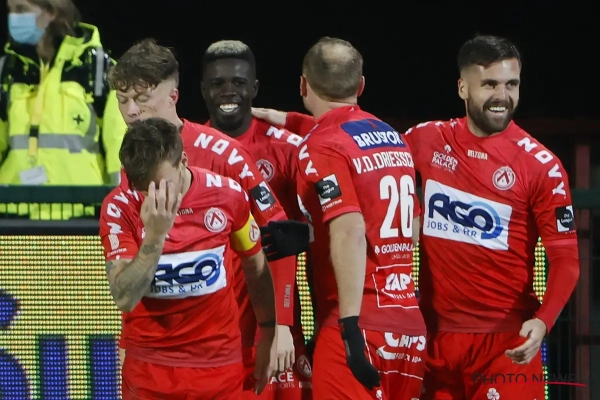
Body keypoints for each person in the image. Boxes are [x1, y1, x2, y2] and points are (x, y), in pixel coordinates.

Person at [253, 35, 581, 400]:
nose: (502, 96)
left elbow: (566, 260)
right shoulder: (429, 139)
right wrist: (297, 122)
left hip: (504, 344)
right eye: (490, 85)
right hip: (432, 344)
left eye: (511, 84)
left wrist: (544, 320)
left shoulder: (542, 166)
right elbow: (362, 144)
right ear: (462, 87)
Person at [108, 39, 297, 382]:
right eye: (123, 100)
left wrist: (279, 326)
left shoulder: (226, 154)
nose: (131, 111)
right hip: (155, 357)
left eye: (141, 98)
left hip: (227, 346)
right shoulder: (131, 162)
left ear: (173, 96)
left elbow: (278, 236)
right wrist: (129, 340)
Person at [99, 117, 277, 399]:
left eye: (161, 186)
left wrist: (269, 332)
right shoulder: (119, 206)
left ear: (183, 161)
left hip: (218, 368)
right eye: (143, 187)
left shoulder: (227, 195)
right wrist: (155, 236)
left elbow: (255, 267)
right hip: (150, 372)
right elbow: (124, 298)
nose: (153, 197)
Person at [290, 37, 426, 400]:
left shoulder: (319, 145)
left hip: (355, 324)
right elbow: (412, 233)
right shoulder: (394, 138)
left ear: (303, 85)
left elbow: (349, 229)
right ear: (360, 85)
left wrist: (349, 327)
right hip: (409, 327)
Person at [201, 39, 312, 399]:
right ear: (203, 90)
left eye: (238, 82)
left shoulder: (287, 148)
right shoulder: (187, 154)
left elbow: (341, 137)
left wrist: (283, 325)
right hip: (213, 328)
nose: (228, 91)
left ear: (255, 88)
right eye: (218, 83)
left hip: (278, 324)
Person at [0, 0, 126, 219]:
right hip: (14, 212)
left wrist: (121, 213)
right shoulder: (6, 71)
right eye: (11, 10)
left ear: (51, 12)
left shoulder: (99, 71)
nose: (14, 18)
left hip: (82, 212)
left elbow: (120, 148)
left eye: (22, 9)